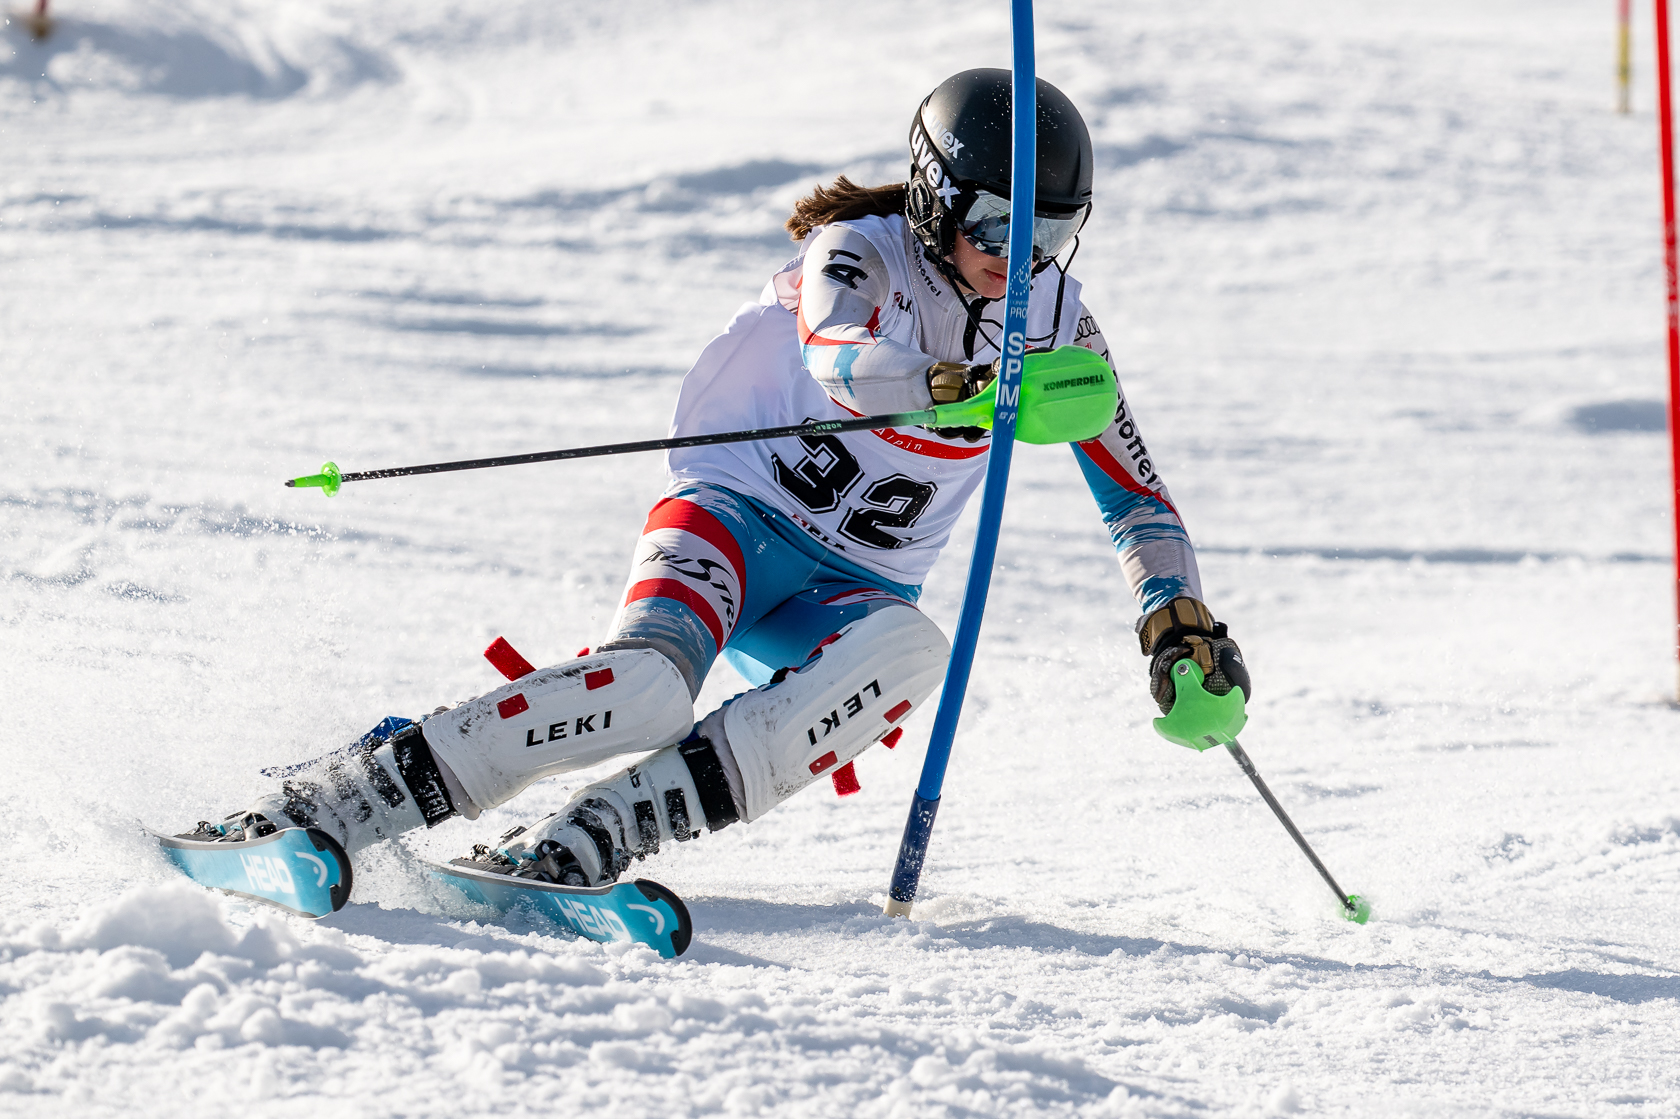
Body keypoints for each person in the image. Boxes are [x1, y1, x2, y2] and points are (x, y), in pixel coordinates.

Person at [192, 69, 1250, 888]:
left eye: (1052, 233)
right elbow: (841, 361)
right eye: (994, 226)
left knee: (910, 653)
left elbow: (1135, 492)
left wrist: (1176, 617)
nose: (1016, 259)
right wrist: (960, 381)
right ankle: (356, 790)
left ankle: (600, 831)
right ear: (935, 199)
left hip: (854, 588)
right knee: (649, 687)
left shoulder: (1058, 322)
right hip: (736, 518)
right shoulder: (863, 252)